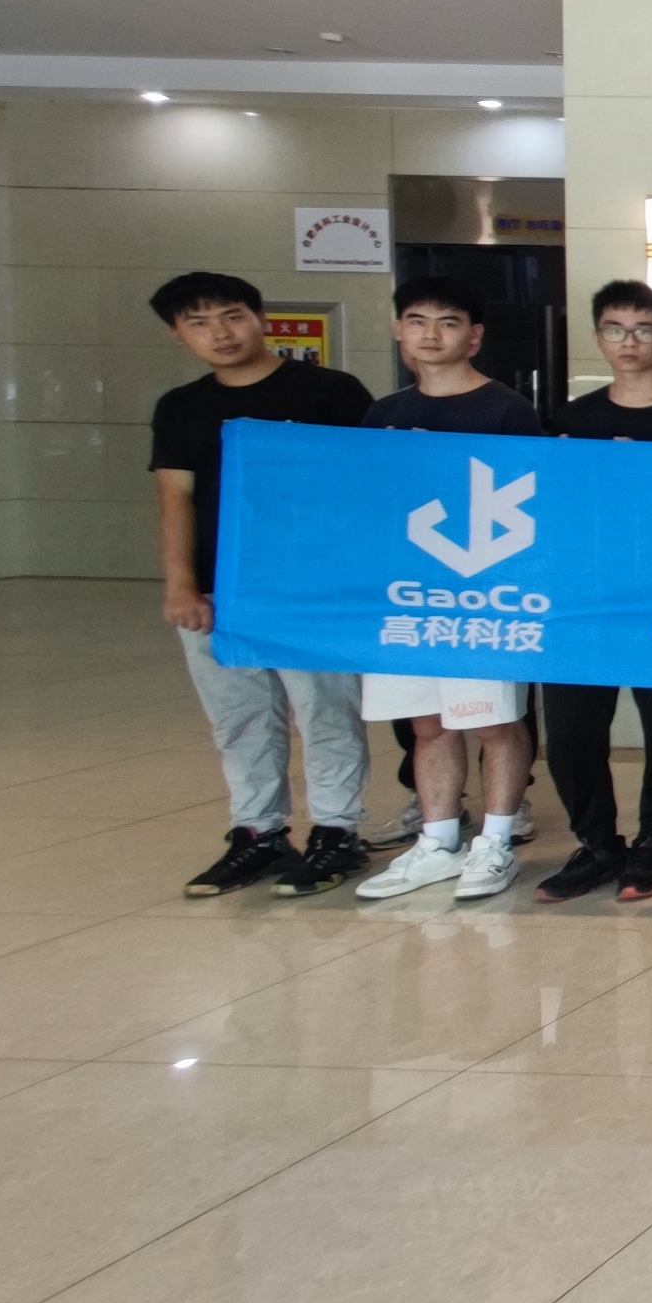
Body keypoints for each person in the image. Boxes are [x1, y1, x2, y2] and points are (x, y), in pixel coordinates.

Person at [152, 272, 379, 899]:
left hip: (310, 588)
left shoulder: (330, 392)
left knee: (325, 710)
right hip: (221, 589)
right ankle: (257, 831)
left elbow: (369, 485)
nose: (220, 333)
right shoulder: (180, 407)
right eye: (199, 323)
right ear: (177, 334)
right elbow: (175, 498)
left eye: (233, 316)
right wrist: (181, 585)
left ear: (260, 318)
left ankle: (336, 830)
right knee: (239, 716)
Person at [349, 278, 550, 902]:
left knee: (494, 720)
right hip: (410, 595)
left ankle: (496, 841)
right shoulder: (383, 415)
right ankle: (437, 841)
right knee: (429, 722)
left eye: (448, 322)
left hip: (485, 595)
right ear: (398, 330)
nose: (431, 335)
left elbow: (535, 503)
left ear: (475, 336)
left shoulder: (507, 411)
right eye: (417, 321)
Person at [534, 280, 652, 903]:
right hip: (583, 598)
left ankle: (651, 843)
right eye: (615, 329)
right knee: (570, 734)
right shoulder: (572, 419)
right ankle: (597, 845)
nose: (629, 342)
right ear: (598, 337)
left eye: (644, 330)